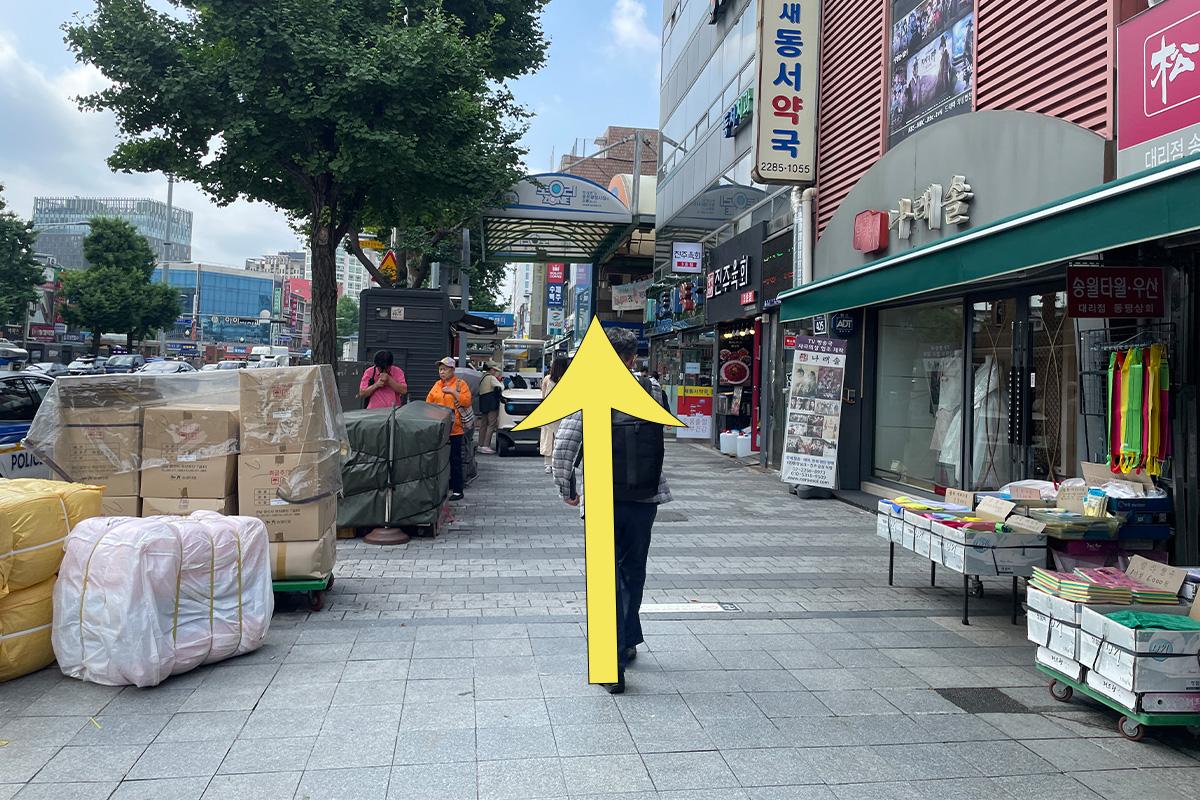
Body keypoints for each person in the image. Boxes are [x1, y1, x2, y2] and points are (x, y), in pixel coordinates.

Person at [552, 328, 671, 694]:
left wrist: (567, 488)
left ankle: (610, 665)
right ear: (632, 357)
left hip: (603, 496)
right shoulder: (653, 389)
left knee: (606, 578)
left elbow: (564, 447)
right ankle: (628, 639)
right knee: (633, 571)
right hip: (645, 496)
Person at [427, 357, 473, 501]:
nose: (442, 372)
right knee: (440, 459)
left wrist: (453, 392)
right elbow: (429, 402)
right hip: (439, 429)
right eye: (440, 369)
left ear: (452, 370)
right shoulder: (437, 385)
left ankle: (458, 490)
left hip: (455, 429)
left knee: (455, 459)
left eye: (445, 369)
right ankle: (442, 487)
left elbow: (467, 401)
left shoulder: (460, 384)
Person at [539, 356, 570, 474]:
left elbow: (543, 396)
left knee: (550, 438)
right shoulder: (566, 379)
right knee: (557, 438)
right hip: (560, 413)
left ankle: (550, 464)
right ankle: (554, 463)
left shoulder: (548, 379)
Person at [476, 362, 503, 454]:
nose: (495, 372)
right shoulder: (491, 378)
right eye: (494, 370)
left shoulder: (482, 377)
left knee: (483, 424)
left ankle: (480, 445)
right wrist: (501, 381)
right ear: (491, 369)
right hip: (491, 403)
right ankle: (486, 445)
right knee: (491, 424)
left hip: (483, 402)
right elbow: (501, 387)